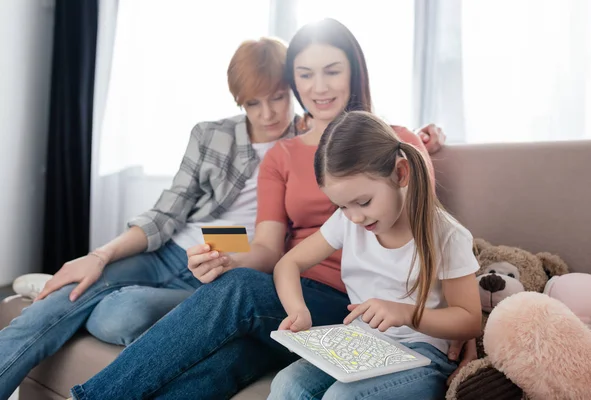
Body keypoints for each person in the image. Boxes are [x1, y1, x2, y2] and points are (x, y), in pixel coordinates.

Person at [66, 19, 454, 400]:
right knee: (218, 366)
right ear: (294, 82)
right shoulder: (281, 155)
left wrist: (458, 323)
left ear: (355, 71)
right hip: (291, 300)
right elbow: (269, 249)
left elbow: (429, 232)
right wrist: (228, 263)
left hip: (358, 305)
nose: (318, 87)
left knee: (238, 291)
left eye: (332, 71)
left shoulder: (398, 142)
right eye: (304, 75)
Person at [0, 37, 306, 400]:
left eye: (278, 97)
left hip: (220, 273)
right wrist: (99, 256)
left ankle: (102, 295)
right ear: (239, 101)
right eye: (254, 103)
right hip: (170, 250)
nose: (268, 114)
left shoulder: (307, 143)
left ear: (293, 91)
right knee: (56, 304)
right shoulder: (211, 134)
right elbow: (167, 211)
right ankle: (80, 289)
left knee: (119, 316)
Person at [268, 110, 482, 399]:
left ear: (400, 173)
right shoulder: (348, 222)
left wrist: (406, 313)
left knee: (342, 398)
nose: (355, 217)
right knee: (287, 384)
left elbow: (469, 320)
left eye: (364, 202)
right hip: (361, 344)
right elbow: (288, 264)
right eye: (342, 206)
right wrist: (298, 311)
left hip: (423, 353)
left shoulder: (446, 235)